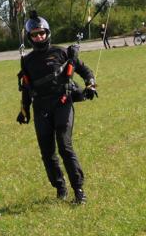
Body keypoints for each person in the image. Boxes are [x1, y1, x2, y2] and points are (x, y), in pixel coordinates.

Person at [16, 11, 97, 204]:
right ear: (30, 37)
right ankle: (60, 188)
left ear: (47, 33)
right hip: (40, 107)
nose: (39, 37)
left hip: (62, 103)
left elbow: (85, 70)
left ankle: (78, 189)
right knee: (47, 152)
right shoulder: (27, 60)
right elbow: (27, 87)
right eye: (35, 34)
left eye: (41, 33)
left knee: (64, 146)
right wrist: (24, 108)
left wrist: (90, 84)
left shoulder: (62, 53)